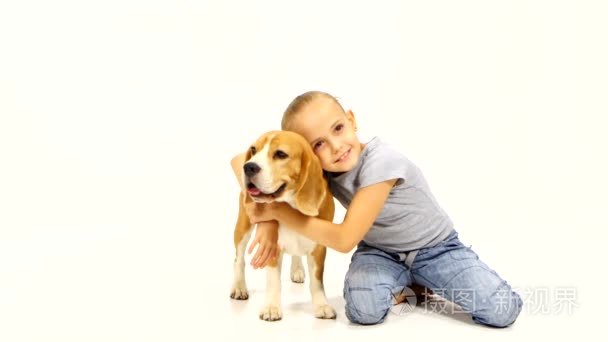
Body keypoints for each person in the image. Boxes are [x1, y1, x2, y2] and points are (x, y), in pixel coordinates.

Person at [230, 91, 522, 327]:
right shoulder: (322, 171)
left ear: (352, 120)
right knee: (363, 311)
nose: (336, 146)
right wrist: (267, 223)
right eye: (319, 143)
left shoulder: (382, 163)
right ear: (308, 155)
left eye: (338, 128)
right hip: (380, 253)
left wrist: (276, 213)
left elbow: (344, 241)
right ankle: (414, 289)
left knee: (501, 310)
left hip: (437, 249)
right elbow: (238, 161)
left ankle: (432, 281)